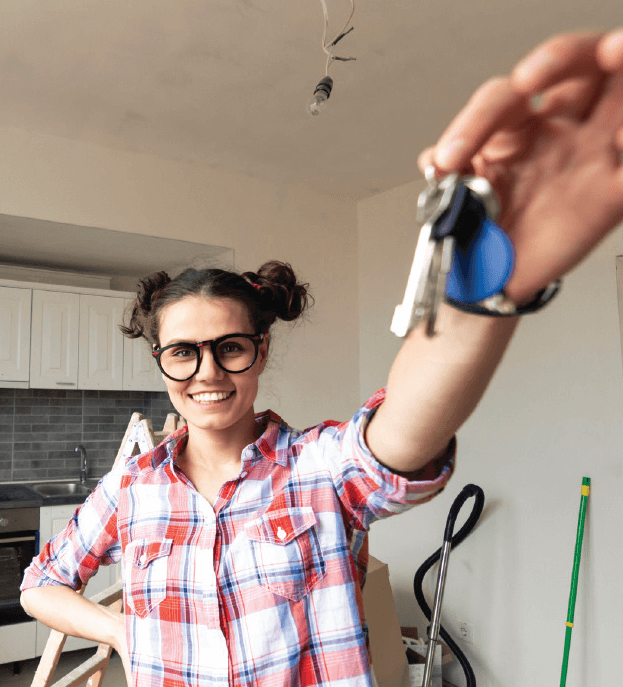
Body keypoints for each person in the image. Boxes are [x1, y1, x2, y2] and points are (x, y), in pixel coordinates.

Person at [20, 27, 623, 687]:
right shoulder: (130, 489)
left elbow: (406, 430)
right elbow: (40, 583)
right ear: (160, 360)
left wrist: (482, 286)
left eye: (229, 347)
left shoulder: (319, 470)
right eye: (183, 354)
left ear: (261, 349)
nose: (208, 373)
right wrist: (118, 627)